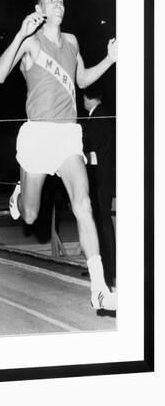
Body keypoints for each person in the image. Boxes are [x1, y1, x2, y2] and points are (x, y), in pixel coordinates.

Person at [0, 0, 117, 310]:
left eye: (61, 0)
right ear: (40, 10)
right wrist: (19, 34)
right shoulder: (31, 44)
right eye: (51, 0)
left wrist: (110, 59)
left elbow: (82, 80)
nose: (58, 4)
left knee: (84, 203)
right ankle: (21, 190)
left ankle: (100, 288)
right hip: (38, 135)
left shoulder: (73, 42)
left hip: (67, 135)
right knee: (30, 216)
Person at [83, 86, 116, 288]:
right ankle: (104, 267)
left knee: (102, 221)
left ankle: (108, 269)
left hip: (100, 178)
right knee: (98, 221)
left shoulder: (99, 117)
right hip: (101, 176)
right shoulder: (99, 115)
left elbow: (96, 149)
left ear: (89, 98)